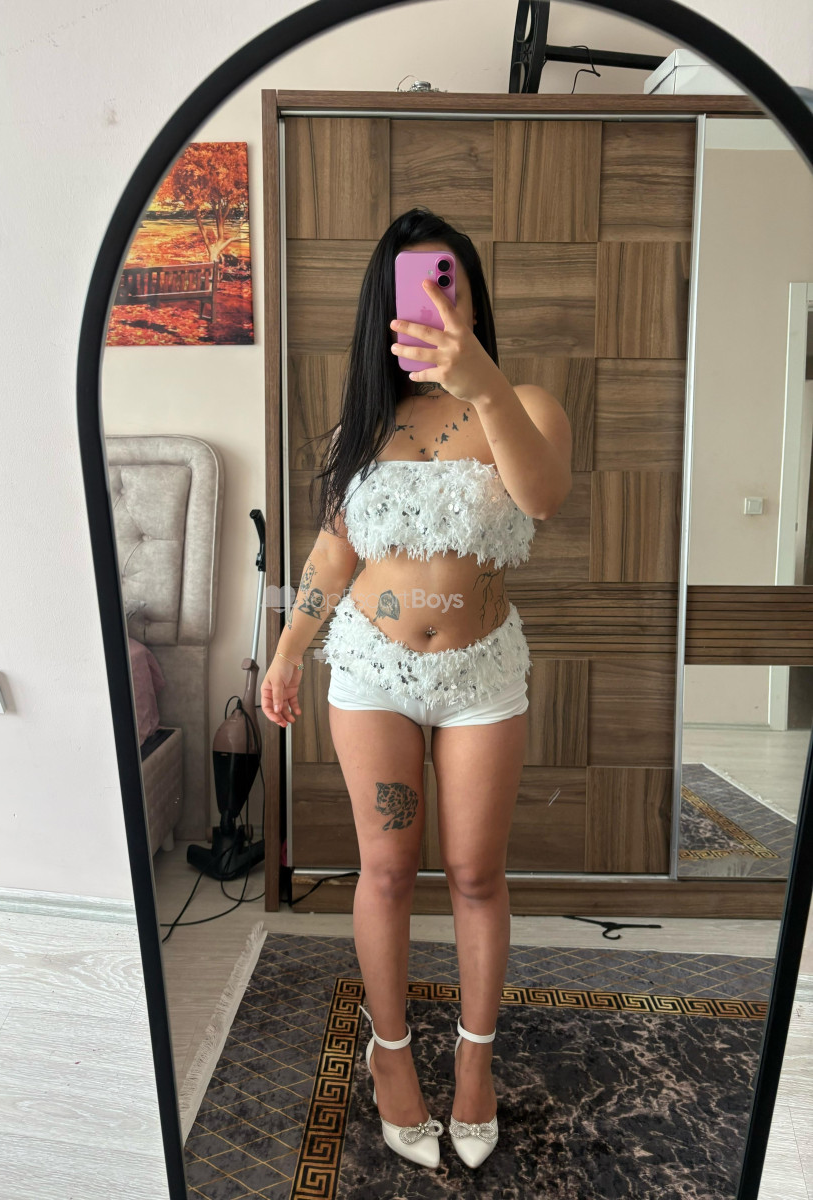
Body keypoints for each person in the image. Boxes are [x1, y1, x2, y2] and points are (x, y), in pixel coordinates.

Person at [261, 207, 572, 1170]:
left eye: (448, 284)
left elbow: (543, 496)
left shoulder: (525, 402)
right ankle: (390, 1058)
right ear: (384, 310)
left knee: (475, 874)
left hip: (481, 675)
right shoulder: (369, 420)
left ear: (471, 295)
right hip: (371, 671)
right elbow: (335, 549)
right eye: (414, 289)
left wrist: (481, 383)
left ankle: (474, 1065)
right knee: (387, 872)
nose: (433, 303)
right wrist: (287, 647)